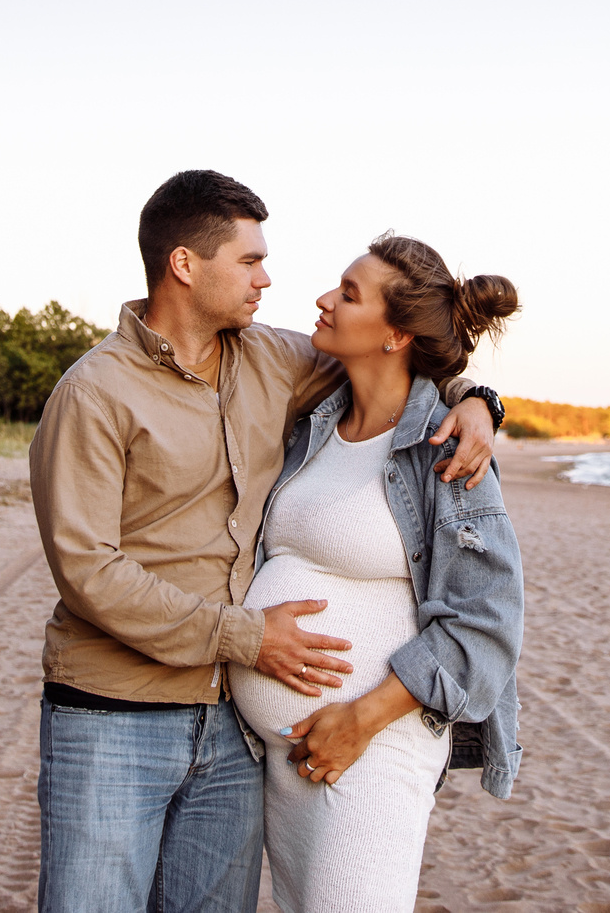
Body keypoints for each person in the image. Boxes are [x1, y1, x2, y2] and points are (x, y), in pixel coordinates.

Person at [29, 171, 503, 913]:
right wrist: (246, 638)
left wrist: (478, 401)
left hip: (230, 735)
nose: (269, 278)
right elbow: (88, 569)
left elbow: (400, 366)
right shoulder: (95, 393)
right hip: (113, 716)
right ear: (186, 264)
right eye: (249, 261)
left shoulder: (272, 359)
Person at [230, 234, 525, 913]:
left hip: (373, 748)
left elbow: (486, 626)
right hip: (290, 756)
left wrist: (360, 720)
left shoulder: (446, 446)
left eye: (348, 292)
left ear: (394, 335)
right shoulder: (314, 424)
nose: (324, 299)